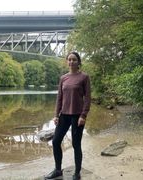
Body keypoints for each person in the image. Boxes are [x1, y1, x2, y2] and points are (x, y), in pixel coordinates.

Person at [45, 52, 91, 180]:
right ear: (67, 62)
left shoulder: (84, 77)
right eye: (69, 60)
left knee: (76, 144)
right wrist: (56, 115)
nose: (71, 62)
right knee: (55, 141)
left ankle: (77, 173)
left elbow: (87, 98)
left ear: (78, 62)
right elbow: (59, 97)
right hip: (64, 115)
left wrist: (84, 115)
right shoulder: (63, 78)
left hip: (77, 116)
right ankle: (58, 170)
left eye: (74, 60)